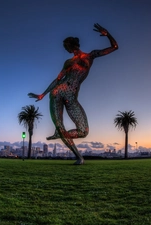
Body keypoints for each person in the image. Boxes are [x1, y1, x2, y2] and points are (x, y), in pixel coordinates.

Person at [28, 23, 118, 164]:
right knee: (59, 124)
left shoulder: (90, 55)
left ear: (72, 45)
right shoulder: (68, 62)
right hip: (57, 92)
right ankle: (79, 157)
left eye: (66, 47)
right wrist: (43, 94)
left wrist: (108, 35)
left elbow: (114, 47)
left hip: (71, 96)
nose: (66, 49)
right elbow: (58, 80)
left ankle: (61, 134)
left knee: (83, 131)